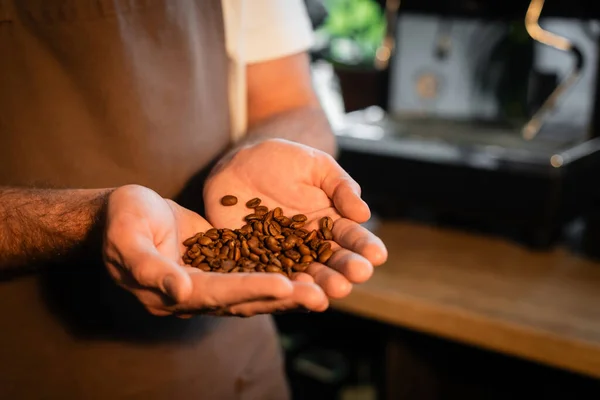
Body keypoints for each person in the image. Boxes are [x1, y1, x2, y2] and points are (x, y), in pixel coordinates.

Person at [0, 0, 387, 398]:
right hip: (33, 370)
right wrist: (88, 220)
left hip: (234, 367)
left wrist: (261, 148)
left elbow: (294, 105)